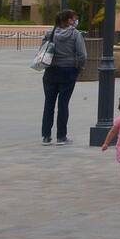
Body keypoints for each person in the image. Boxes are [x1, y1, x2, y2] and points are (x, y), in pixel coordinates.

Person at [40, 9, 86, 145]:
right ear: (68, 20)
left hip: (50, 72)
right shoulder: (75, 35)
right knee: (63, 105)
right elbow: (82, 54)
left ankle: (46, 136)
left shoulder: (50, 33)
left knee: (49, 104)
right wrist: (80, 68)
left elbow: (42, 50)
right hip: (68, 71)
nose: (75, 21)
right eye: (73, 19)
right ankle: (61, 136)